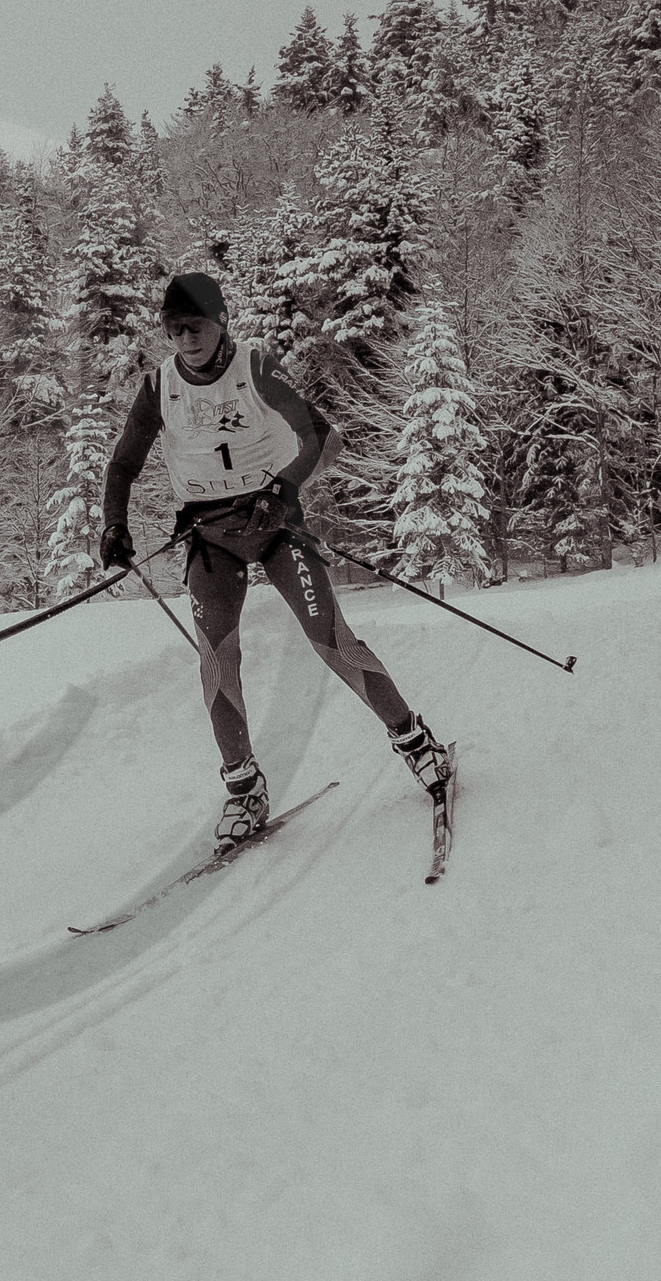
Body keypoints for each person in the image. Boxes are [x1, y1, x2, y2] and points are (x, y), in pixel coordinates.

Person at [98, 271, 450, 852]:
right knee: (216, 662)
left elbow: (317, 434)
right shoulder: (158, 387)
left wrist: (284, 487)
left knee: (332, 641)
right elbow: (123, 464)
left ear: (222, 321)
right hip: (211, 540)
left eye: (195, 326)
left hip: (275, 527)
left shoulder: (256, 369)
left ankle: (416, 743)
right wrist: (115, 522)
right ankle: (244, 790)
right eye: (173, 328)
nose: (184, 339)